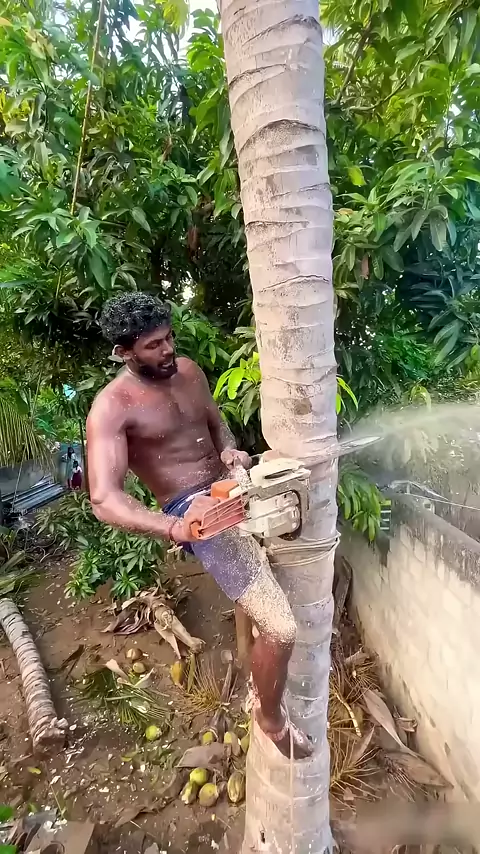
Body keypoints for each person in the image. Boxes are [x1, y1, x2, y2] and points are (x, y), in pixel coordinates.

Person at [86, 292, 312, 759]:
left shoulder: (189, 371)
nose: (168, 349)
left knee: (299, 482)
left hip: (232, 485)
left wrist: (231, 451)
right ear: (123, 352)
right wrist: (176, 528)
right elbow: (105, 499)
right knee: (282, 628)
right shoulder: (112, 407)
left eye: (169, 337)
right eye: (153, 345)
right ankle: (270, 719)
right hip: (194, 511)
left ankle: (254, 665)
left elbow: (216, 426)